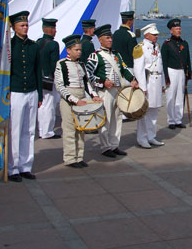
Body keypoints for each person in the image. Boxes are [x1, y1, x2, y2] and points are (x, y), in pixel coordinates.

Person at [86, 24, 138, 158]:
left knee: (117, 118)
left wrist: (132, 78)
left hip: (118, 90)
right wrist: (103, 82)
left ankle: (114, 144)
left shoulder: (117, 54)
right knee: (106, 119)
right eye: (107, 38)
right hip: (105, 92)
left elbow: (124, 69)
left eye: (111, 38)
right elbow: (88, 75)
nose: (110, 40)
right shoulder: (95, 56)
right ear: (100, 40)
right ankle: (105, 147)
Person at [56, 35, 102, 168]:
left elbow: (87, 83)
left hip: (82, 96)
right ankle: (70, 158)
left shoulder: (81, 64)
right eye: (76, 50)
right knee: (69, 128)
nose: (79, 52)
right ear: (68, 50)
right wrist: (74, 100)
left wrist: (93, 95)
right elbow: (60, 86)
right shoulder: (61, 64)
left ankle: (79, 156)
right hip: (69, 98)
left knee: (81, 128)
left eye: (80, 50)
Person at [8, 11, 43, 182]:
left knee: (29, 131)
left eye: (27, 25)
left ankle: (25, 165)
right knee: (15, 130)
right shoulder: (9, 46)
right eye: (21, 25)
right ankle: (13, 167)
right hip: (15, 92)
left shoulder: (33, 46)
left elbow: (37, 71)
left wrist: (39, 94)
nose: (25, 27)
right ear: (14, 27)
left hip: (31, 91)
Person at [133, 23, 166, 148]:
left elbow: (160, 65)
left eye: (156, 34)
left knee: (154, 111)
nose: (156, 36)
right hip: (147, 81)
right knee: (144, 112)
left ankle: (151, 136)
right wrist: (143, 87)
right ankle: (142, 138)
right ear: (146, 35)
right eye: (154, 34)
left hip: (157, 81)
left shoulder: (156, 47)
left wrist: (163, 83)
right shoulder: (139, 47)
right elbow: (138, 69)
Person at [162, 18, 191, 129]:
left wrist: (189, 72)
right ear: (171, 30)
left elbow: (188, 59)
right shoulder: (167, 44)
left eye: (179, 28)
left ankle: (178, 119)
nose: (179, 30)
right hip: (171, 71)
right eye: (176, 28)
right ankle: (171, 120)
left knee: (180, 96)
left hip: (181, 72)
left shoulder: (185, 43)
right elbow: (163, 62)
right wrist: (166, 76)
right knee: (171, 96)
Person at [36, 18, 62, 140]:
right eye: (54, 28)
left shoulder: (38, 42)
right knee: (49, 105)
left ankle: (42, 129)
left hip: (39, 78)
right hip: (49, 79)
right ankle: (47, 131)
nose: (55, 31)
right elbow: (54, 64)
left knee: (42, 105)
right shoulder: (53, 44)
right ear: (50, 29)